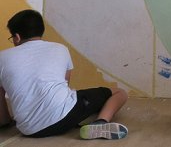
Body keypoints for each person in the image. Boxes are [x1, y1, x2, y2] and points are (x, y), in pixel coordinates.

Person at [0, 9, 128, 140]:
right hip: (65, 117)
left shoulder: (2, 57)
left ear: (17, 37)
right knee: (119, 93)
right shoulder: (60, 49)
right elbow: (65, 84)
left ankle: (85, 119)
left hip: (29, 129)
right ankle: (100, 122)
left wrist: (5, 122)